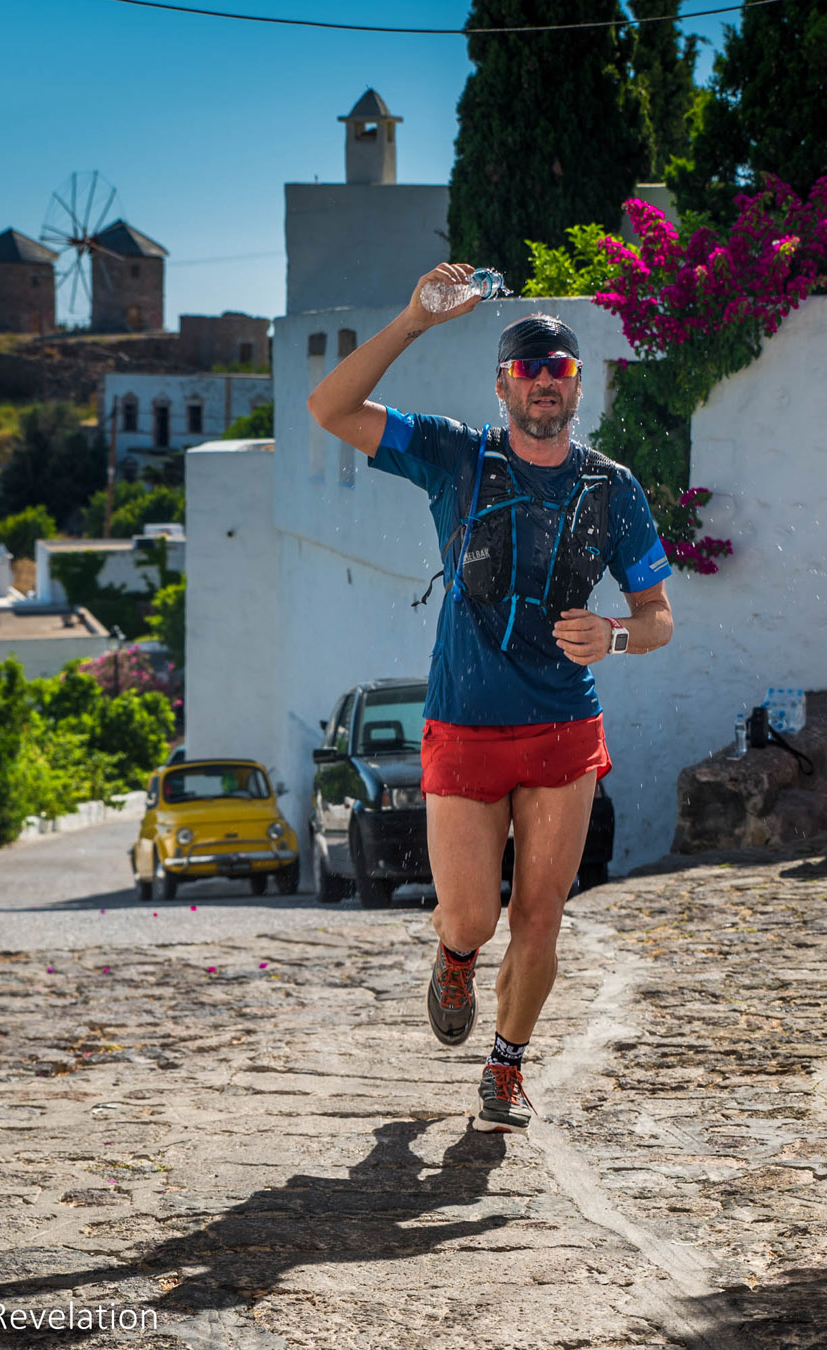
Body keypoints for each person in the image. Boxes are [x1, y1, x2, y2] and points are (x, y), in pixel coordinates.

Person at [307, 262, 673, 1134]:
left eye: (559, 371)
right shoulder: (454, 457)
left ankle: (506, 1067)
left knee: (542, 916)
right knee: (473, 911)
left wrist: (617, 634)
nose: (543, 383)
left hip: (563, 725)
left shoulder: (610, 489)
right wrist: (411, 319)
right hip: (466, 722)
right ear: (503, 383)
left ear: (578, 385)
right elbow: (330, 410)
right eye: (526, 370)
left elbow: (659, 617)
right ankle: (455, 956)